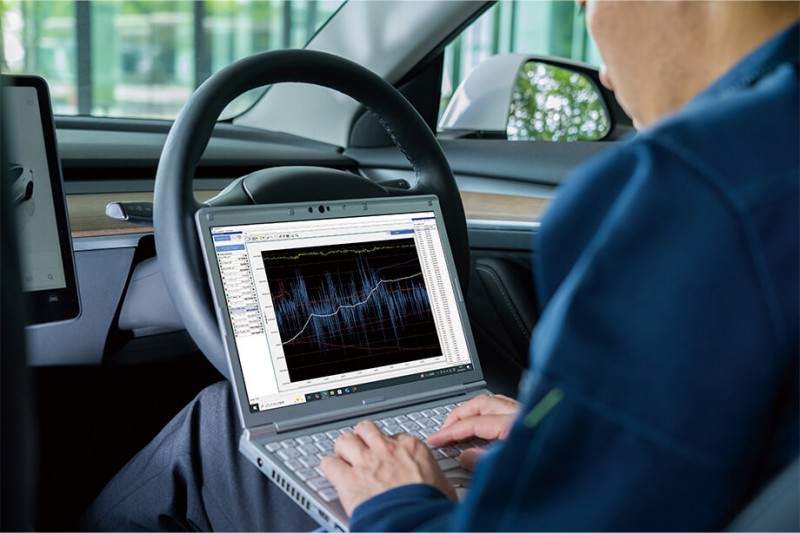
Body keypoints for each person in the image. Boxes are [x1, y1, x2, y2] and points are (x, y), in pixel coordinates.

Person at [81, 1, 799, 531]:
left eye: (589, 0)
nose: (601, 59)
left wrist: (397, 500)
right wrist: (559, 440)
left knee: (219, 430)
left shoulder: (692, 195)